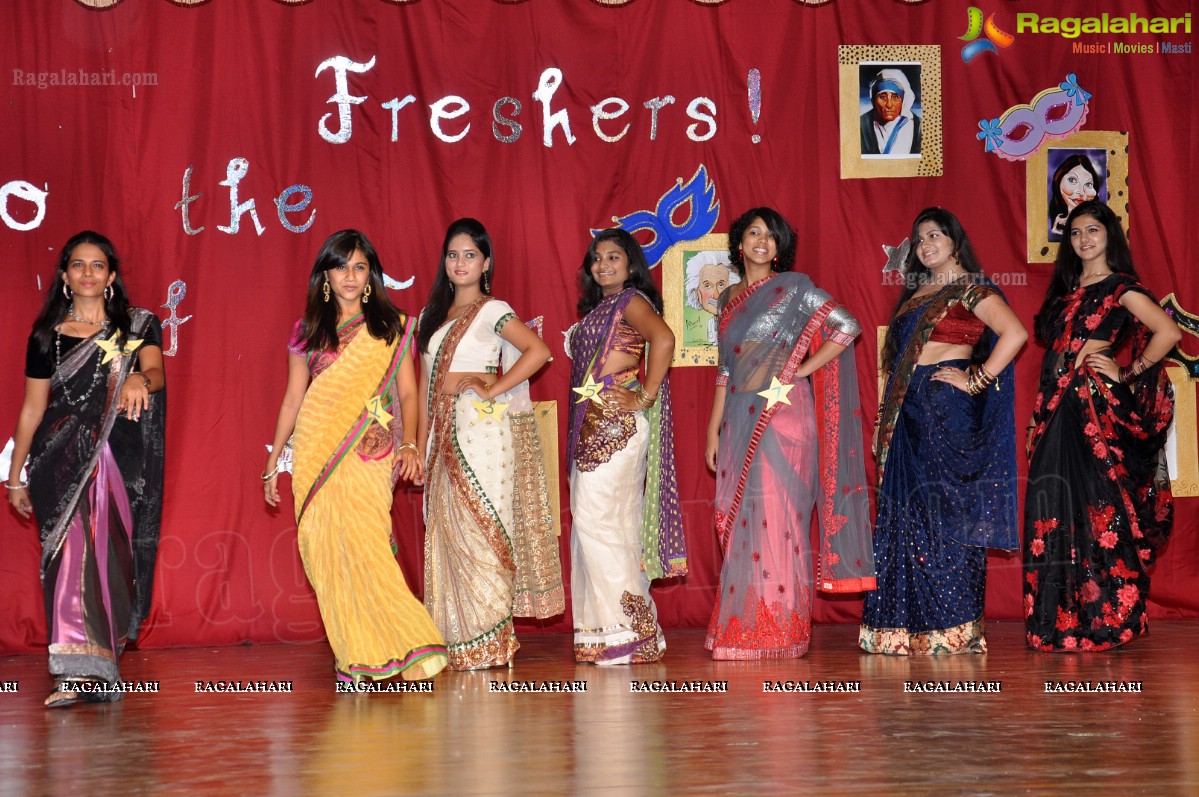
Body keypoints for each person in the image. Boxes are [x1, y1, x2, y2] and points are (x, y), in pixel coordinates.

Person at [264, 229, 448, 684]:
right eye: (341, 266)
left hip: (368, 448)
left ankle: (406, 644)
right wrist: (274, 463)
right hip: (314, 450)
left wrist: (412, 445)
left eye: (359, 267)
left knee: (366, 543)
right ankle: (358, 656)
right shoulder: (307, 330)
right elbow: (292, 399)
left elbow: (409, 393)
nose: (349, 276)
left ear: (371, 276)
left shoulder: (393, 327)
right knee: (324, 549)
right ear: (325, 274)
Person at [704, 207, 875, 660]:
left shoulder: (794, 288)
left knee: (778, 522)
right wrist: (712, 429)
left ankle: (778, 629)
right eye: (754, 233)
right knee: (737, 516)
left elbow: (847, 326)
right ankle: (746, 624)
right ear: (738, 243)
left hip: (782, 416)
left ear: (781, 248)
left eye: (772, 235)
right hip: (738, 416)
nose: (762, 241)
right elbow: (726, 369)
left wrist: (798, 371)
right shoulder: (727, 300)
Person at [7, 231, 165, 708]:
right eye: (78, 265)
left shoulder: (138, 326)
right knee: (68, 558)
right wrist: (15, 476)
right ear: (64, 276)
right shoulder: (45, 338)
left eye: (98, 265)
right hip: (57, 462)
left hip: (117, 459)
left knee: (107, 557)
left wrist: (137, 375)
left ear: (111, 276)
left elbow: (156, 374)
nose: (88, 273)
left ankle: (100, 666)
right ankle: (75, 674)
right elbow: (32, 410)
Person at [859, 208, 1027, 655]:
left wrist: (974, 379)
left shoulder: (973, 287)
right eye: (918, 239)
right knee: (905, 515)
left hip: (944, 411)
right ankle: (901, 629)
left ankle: (951, 627)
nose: (926, 244)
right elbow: (897, 363)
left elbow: (1014, 334)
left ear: (955, 240)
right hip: (906, 412)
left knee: (947, 513)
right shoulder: (916, 294)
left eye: (935, 235)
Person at [1025, 200, 1180, 652]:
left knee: (1097, 510)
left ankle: (1107, 619)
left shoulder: (1120, 287)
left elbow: (1167, 333)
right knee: (1052, 505)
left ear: (1110, 235)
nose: (1084, 239)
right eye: (1075, 233)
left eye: (1092, 230)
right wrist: (1037, 417)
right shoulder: (1066, 290)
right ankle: (1058, 623)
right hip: (1054, 408)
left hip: (1092, 408)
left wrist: (1128, 374)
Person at [417, 218, 562, 670]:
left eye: (470, 255)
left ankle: (488, 643)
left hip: (481, 434)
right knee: (449, 533)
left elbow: (539, 352)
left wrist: (492, 388)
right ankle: (454, 640)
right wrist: (419, 446)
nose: (460, 262)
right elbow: (424, 389)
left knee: (483, 532)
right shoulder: (430, 317)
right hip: (442, 434)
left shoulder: (492, 308)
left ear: (486, 263)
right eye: (453, 254)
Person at [567, 228, 686, 665]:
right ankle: (605, 632)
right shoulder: (600, 308)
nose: (603, 265)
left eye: (613, 257)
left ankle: (634, 632)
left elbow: (666, 339)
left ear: (631, 264)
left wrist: (645, 395)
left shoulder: (630, 301)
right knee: (602, 525)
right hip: (591, 425)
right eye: (596, 258)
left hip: (616, 425)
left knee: (600, 523)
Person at [860, 68, 922, 156]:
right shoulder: (861, 125)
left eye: (895, 97)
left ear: (903, 101)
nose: (889, 105)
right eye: (882, 97)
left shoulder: (919, 127)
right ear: (874, 99)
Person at [684, 250, 740, 346]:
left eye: (721, 285)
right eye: (708, 286)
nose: (716, 295)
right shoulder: (711, 322)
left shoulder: (740, 321)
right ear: (697, 291)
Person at [1048, 153, 1102, 241]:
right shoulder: (1056, 226)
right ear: (1058, 181)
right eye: (1072, 180)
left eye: (1088, 184)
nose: (1081, 192)